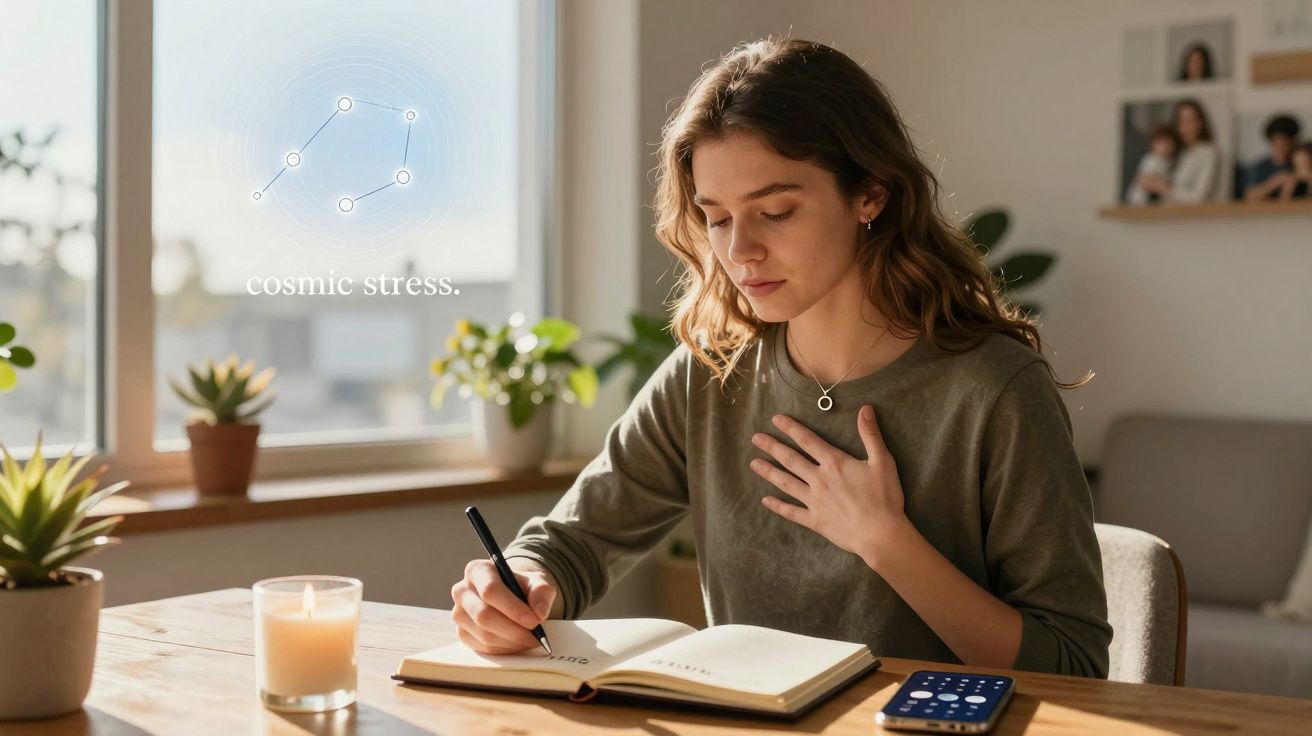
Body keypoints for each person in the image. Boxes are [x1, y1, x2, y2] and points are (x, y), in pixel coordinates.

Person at [448, 37, 1112, 678]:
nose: (740, 252)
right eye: (717, 217)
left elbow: (1073, 666)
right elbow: (570, 543)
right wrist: (515, 587)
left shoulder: (995, 391)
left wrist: (886, 541)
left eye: (776, 211)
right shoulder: (709, 375)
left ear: (870, 195)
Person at [1137, 99, 1220, 203]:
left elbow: (1199, 198)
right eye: (1180, 122)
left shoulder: (1208, 153)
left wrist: (1162, 188)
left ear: (1200, 123)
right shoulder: (1177, 154)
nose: (1184, 127)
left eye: (1189, 121)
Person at [1244, 115, 1300, 201]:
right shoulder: (1259, 167)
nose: (1281, 147)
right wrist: (1275, 183)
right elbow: (1249, 196)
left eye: (1285, 143)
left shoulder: (1300, 164)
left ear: (1293, 142)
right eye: (1276, 142)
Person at [1126, 125, 1181, 205]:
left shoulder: (1172, 163)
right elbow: (1145, 181)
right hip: (1141, 201)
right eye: (1160, 142)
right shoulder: (1150, 160)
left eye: (1168, 143)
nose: (1164, 147)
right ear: (1153, 144)